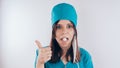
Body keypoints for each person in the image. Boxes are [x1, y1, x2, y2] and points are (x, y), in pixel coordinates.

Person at [34, 3, 93, 68]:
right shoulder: (42, 54)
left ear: (74, 31)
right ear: (54, 32)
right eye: (59, 27)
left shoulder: (85, 57)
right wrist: (40, 63)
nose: (64, 32)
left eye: (69, 26)